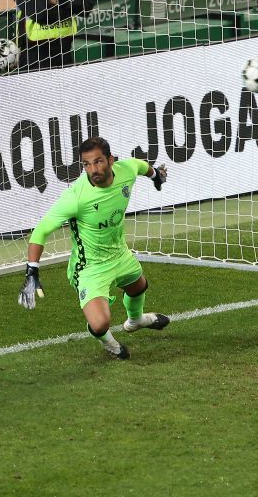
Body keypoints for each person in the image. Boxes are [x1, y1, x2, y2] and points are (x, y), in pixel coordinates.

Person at [18, 136, 170, 360]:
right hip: (90, 266)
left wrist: (156, 175)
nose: (93, 170)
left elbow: (140, 166)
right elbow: (40, 231)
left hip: (119, 253)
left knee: (138, 286)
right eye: (87, 164)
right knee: (100, 323)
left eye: (98, 162)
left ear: (111, 160)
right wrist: (32, 271)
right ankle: (110, 344)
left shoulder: (126, 170)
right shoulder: (76, 197)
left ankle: (136, 321)